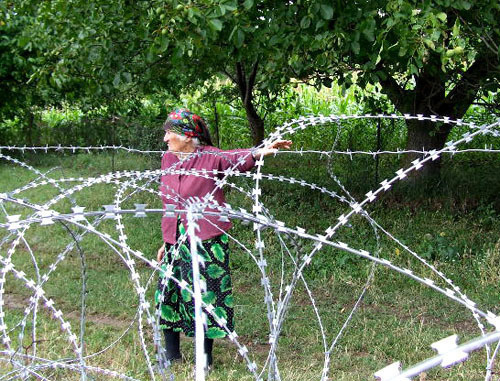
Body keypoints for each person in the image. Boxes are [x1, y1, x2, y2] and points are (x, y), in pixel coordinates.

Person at [155, 108, 291, 370]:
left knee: (205, 297)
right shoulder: (167, 160)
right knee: (169, 293)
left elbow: (236, 158)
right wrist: (166, 240)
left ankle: (204, 360)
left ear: (187, 136)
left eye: (170, 133)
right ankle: (171, 355)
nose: (166, 139)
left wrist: (261, 150)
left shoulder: (210, 158)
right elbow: (168, 202)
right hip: (175, 236)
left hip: (206, 238)